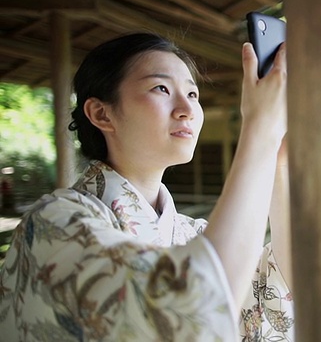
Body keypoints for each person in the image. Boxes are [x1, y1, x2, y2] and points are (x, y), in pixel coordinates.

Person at [0, 32, 294, 341]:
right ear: (102, 113)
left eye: (193, 94)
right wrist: (259, 130)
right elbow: (197, 304)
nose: (187, 108)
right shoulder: (54, 223)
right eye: (161, 88)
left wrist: (276, 162)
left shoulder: (190, 233)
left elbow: (286, 285)